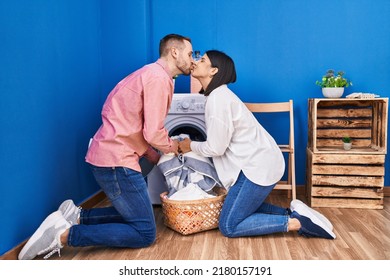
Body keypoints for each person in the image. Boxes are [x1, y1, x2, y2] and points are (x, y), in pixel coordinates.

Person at [18, 34, 195, 260]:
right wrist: (176, 146)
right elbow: (152, 132)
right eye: (190, 54)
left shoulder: (150, 74)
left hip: (110, 155)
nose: (192, 59)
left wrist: (151, 153)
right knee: (145, 232)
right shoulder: (158, 79)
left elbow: (132, 123)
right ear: (174, 52)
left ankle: (77, 215)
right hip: (117, 162)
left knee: (137, 216)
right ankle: (64, 235)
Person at [178, 50, 336, 240]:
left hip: (256, 166)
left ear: (214, 71)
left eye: (202, 60)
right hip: (259, 162)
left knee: (228, 225)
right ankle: (293, 213)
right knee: (240, 206)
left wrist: (190, 146)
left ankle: (297, 223)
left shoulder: (218, 99)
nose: (196, 62)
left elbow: (216, 148)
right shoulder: (218, 96)